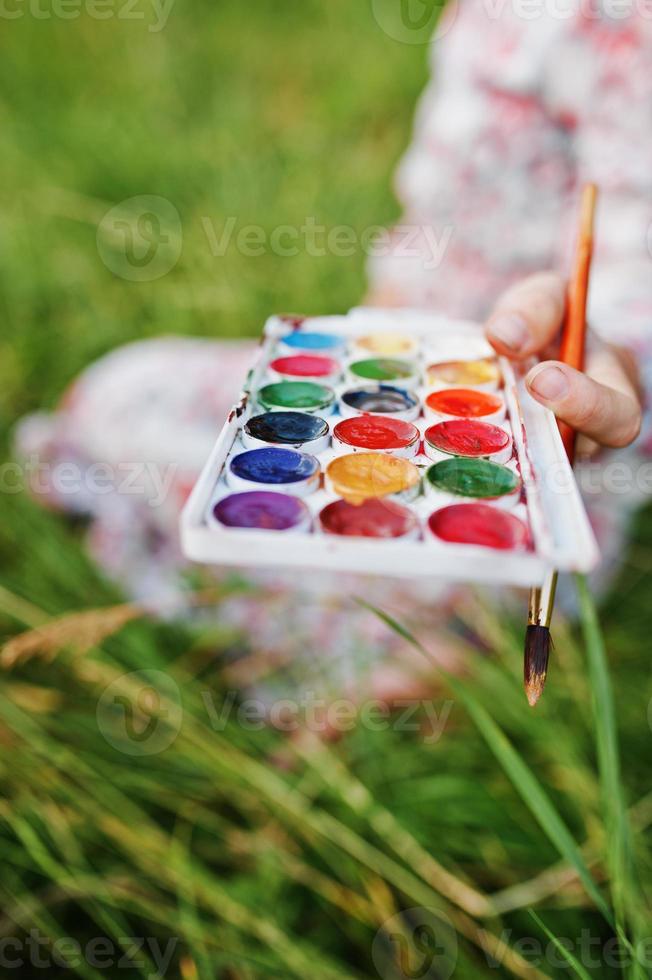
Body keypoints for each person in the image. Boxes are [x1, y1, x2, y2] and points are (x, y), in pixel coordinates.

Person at [15, 7, 649, 700]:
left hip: (503, 474)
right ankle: (384, 628)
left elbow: (627, 298)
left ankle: (425, 643)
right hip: (382, 375)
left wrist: (608, 363)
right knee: (123, 394)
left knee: (136, 457)